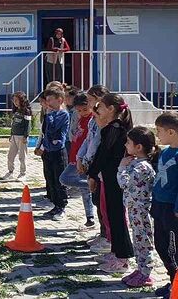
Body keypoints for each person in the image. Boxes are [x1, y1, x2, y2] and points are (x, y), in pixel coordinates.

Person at [87, 93, 134, 273]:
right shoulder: (111, 128)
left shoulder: (115, 128)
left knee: (117, 219)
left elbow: (103, 155)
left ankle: (123, 259)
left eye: (101, 106)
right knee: (111, 217)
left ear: (111, 109)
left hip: (115, 180)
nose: (97, 109)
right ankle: (116, 252)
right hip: (109, 178)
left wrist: (92, 174)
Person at [151, 111, 178, 298]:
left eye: (159, 131)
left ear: (171, 132)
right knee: (161, 245)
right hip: (159, 206)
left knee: (176, 248)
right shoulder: (165, 152)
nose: (157, 135)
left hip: (173, 209)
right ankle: (173, 280)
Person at [117, 126, 160, 287]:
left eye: (128, 142)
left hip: (142, 211)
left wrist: (121, 167)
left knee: (144, 242)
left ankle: (146, 272)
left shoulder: (142, 167)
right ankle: (140, 267)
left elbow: (124, 183)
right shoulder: (136, 162)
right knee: (137, 240)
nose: (125, 145)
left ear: (139, 147)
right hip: (135, 209)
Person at [77, 85, 112, 252]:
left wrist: (88, 161)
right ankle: (103, 233)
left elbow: (97, 144)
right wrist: (80, 157)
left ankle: (108, 237)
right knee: (98, 201)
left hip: (99, 167)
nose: (88, 102)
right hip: (92, 165)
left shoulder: (104, 121)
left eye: (91, 99)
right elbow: (88, 140)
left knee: (103, 202)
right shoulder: (93, 119)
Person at [58, 93, 96, 227]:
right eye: (79, 110)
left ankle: (90, 217)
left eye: (85, 109)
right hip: (75, 157)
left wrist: (83, 158)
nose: (82, 113)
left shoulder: (93, 120)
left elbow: (90, 142)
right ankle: (90, 217)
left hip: (84, 159)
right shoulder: (80, 119)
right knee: (82, 188)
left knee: (65, 179)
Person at [38, 87, 70, 220]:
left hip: (58, 150)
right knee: (50, 178)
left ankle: (62, 206)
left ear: (60, 100)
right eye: (47, 100)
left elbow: (52, 129)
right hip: (48, 150)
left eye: (50, 100)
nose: (48, 102)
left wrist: (49, 114)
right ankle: (55, 204)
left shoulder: (63, 114)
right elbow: (44, 130)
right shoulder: (49, 113)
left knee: (59, 180)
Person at [5, 91, 32, 180]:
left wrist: (25, 136)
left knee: (22, 156)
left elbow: (28, 125)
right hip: (14, 136)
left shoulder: (26, 111)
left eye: (16, 100)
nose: (15, 102)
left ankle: (23, 173)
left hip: (21, 137)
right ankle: (10, 172)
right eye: (13, 100)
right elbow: (14, 124)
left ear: (21, 100)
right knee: (10, 155)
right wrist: (11, 134)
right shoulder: (16, 111)